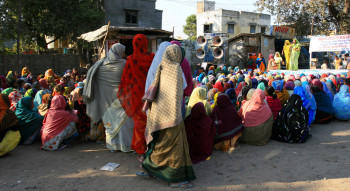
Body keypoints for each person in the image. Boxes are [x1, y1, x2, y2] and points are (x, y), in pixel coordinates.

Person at [140, 45, 195, 188]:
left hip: (158, 115)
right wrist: (176, 116)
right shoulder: (176, 69)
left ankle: (150, 169)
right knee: (175, 147)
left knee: (159, 144)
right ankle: (175, 179)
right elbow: (178, 94)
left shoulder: (161, 67)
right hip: (172, 115)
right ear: (177, 55)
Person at [83, 43, 133, 151]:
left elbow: (94, 79)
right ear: (119, 52)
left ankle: (113, 146)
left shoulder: (100, 65)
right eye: (123, 52)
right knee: (124, 124)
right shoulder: (124, 64)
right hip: (121, 100)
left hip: (105, 100)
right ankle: (125, 146)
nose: (124, 54)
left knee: (111, 124)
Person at [118, 34, 155, 160]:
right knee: (152, 125)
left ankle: (141, 154)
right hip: (151, 97)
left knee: (139, 127)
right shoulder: (152, 58)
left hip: (135, 98)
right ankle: (152, 152)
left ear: (134, 44)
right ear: (146, 43)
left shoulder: (130, 59)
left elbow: (125, 81)